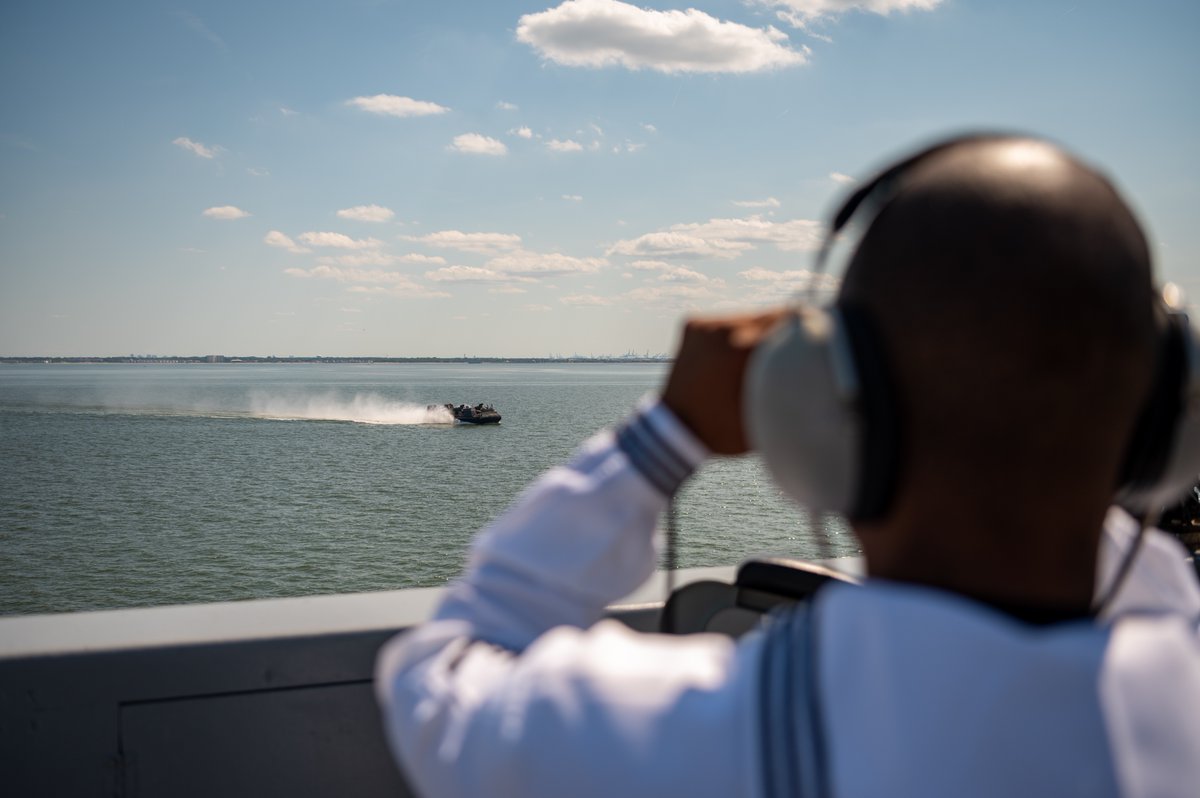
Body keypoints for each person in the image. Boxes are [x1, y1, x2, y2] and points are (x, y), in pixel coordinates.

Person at [375, 135, 1200, 797]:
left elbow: (437, 674)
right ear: (1162, 433)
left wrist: (666, 434)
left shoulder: (704, 740)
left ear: (819, 414)